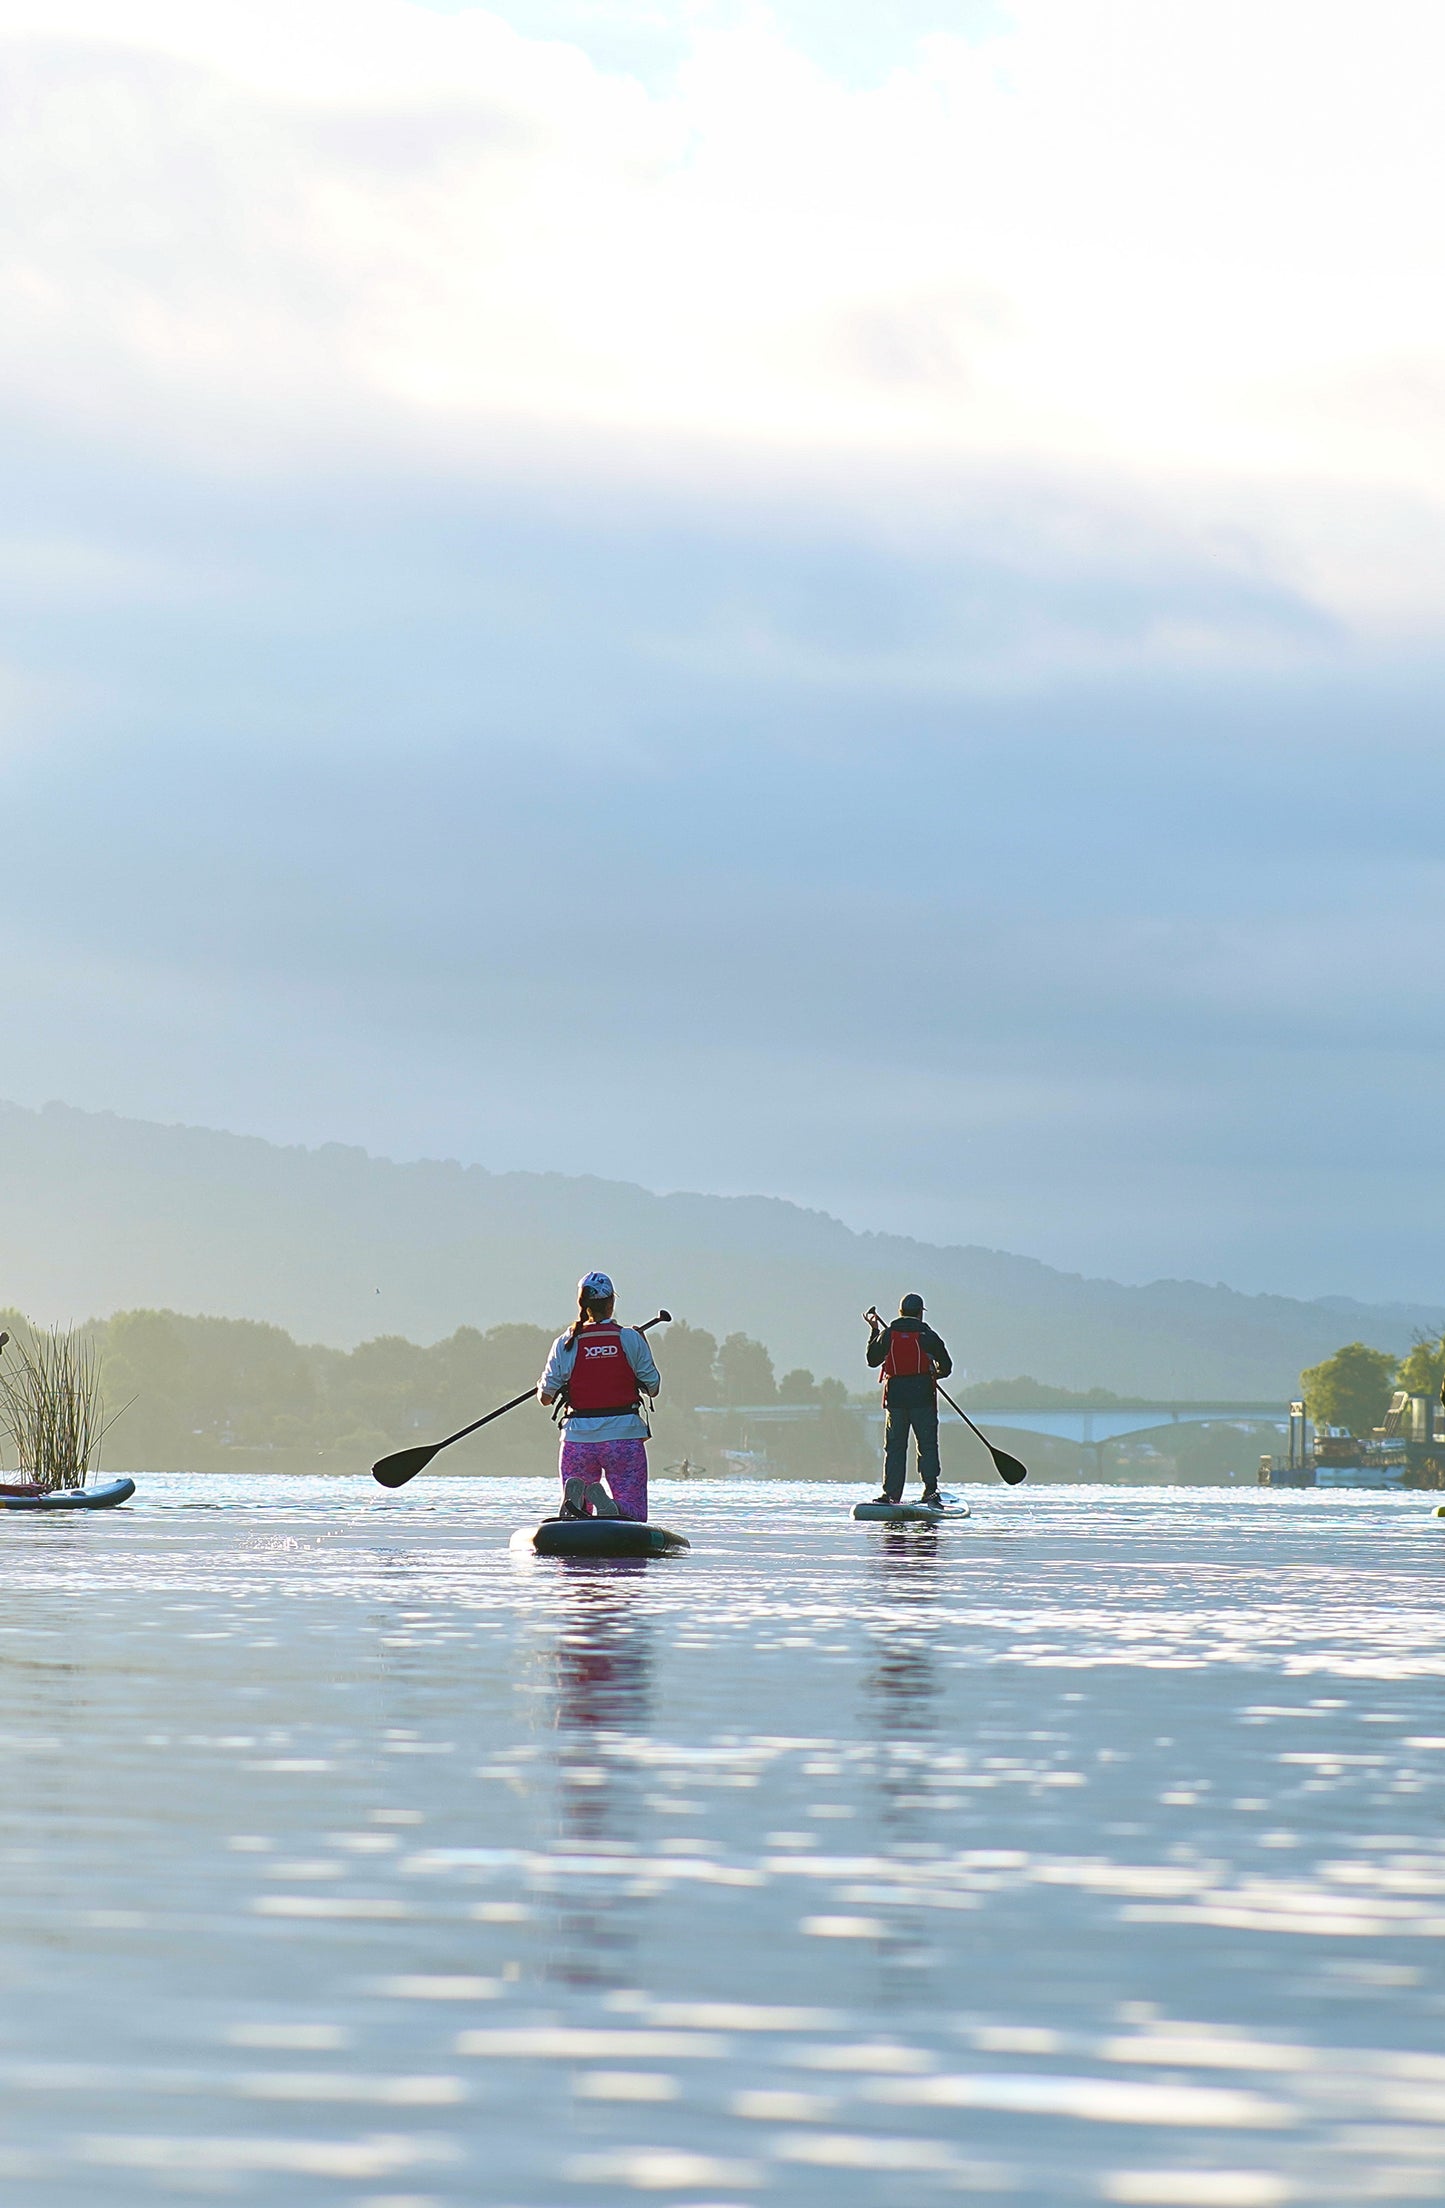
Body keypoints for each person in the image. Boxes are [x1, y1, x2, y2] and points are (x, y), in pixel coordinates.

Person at [538, 1273, 661, 1521]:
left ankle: (576, 1503)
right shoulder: (629, 1338)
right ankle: (614, 1508)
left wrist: (544, 1384)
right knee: (634, 1511)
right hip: (623, 1437)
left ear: (581, 1304)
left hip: (577, 1438)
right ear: (611, 1303)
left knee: (577, 1514)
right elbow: (652, 1387)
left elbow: (545, 1397)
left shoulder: (565, 1342)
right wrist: (642, 1345)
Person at [865, 1294, 953, 1506]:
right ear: (920, 1312)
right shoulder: (928, 1336)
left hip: (895, 1402)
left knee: (895, 1448)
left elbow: (872, 1360)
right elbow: (947, 1367)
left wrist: (874, 1330)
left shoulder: (888, 1334)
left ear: (900, 1312)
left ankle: (891, 1495)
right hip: (923, 1399)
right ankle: (930, 1491)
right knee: (927, 1446)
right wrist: (934, 1373)